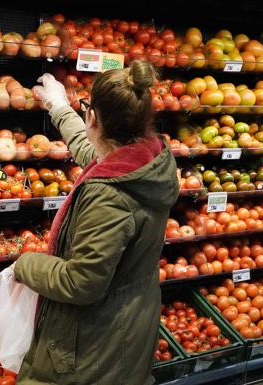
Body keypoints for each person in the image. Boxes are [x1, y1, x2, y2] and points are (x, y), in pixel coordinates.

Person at [12, 60, 179, 385]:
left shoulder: (109, 195)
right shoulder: (147, 161)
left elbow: (83, 281)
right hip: (129, 322)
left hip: (93, 341)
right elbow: (93, 152)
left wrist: (26, 264)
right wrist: (59, 106)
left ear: (93, 116)